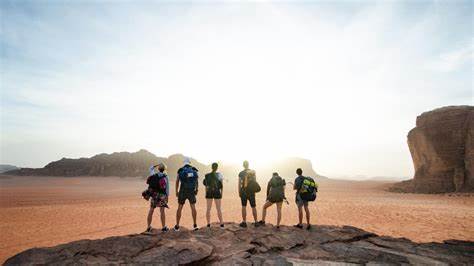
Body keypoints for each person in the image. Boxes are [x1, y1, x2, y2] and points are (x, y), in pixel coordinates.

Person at [174, 157, 199, 231]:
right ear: (189, 163)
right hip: (191, 191)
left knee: (180, 208)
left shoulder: (180, 170)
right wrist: (196, 189)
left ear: (184, 163)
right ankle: (195, 225)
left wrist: (176, 191)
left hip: (183, 191)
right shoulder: (194, 170)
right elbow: (196, 181)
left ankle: (177, 226)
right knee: (193, 207)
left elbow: (177, 181)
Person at [145, 163, 169, 232]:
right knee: (162, 211)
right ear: (164, 169)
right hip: (162, 195)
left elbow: (151, 168)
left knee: (151, 210)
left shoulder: (153, 175)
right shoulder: (165, 176)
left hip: (154, 195)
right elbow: (167, 188)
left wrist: (155, 165)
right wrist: (167, 197)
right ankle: (164, 227)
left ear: (158, 169)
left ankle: (148, 227)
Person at [238, 160, 259, 227]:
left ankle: (244, 222)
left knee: (244, 206)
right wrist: (254, 191)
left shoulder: (241, 173)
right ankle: (256, 222)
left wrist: (239, 192)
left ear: (243, 165)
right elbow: (255, 181)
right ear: (248, 165)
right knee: (253, 207)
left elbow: (239, 184)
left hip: (243, 191)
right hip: (251, 192)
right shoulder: (253, 172)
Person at [203, 162, 224, 228]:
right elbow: (221, 186)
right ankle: (221, 223)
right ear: (217, 167)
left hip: (209, 193)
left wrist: (206, 193)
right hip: (217, 192)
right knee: (218, 209)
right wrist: (221, 194)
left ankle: (208, 224)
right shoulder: (219, 174)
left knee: (208, 209)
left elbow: (206, 186)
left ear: (211, 167)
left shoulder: (207, 175)